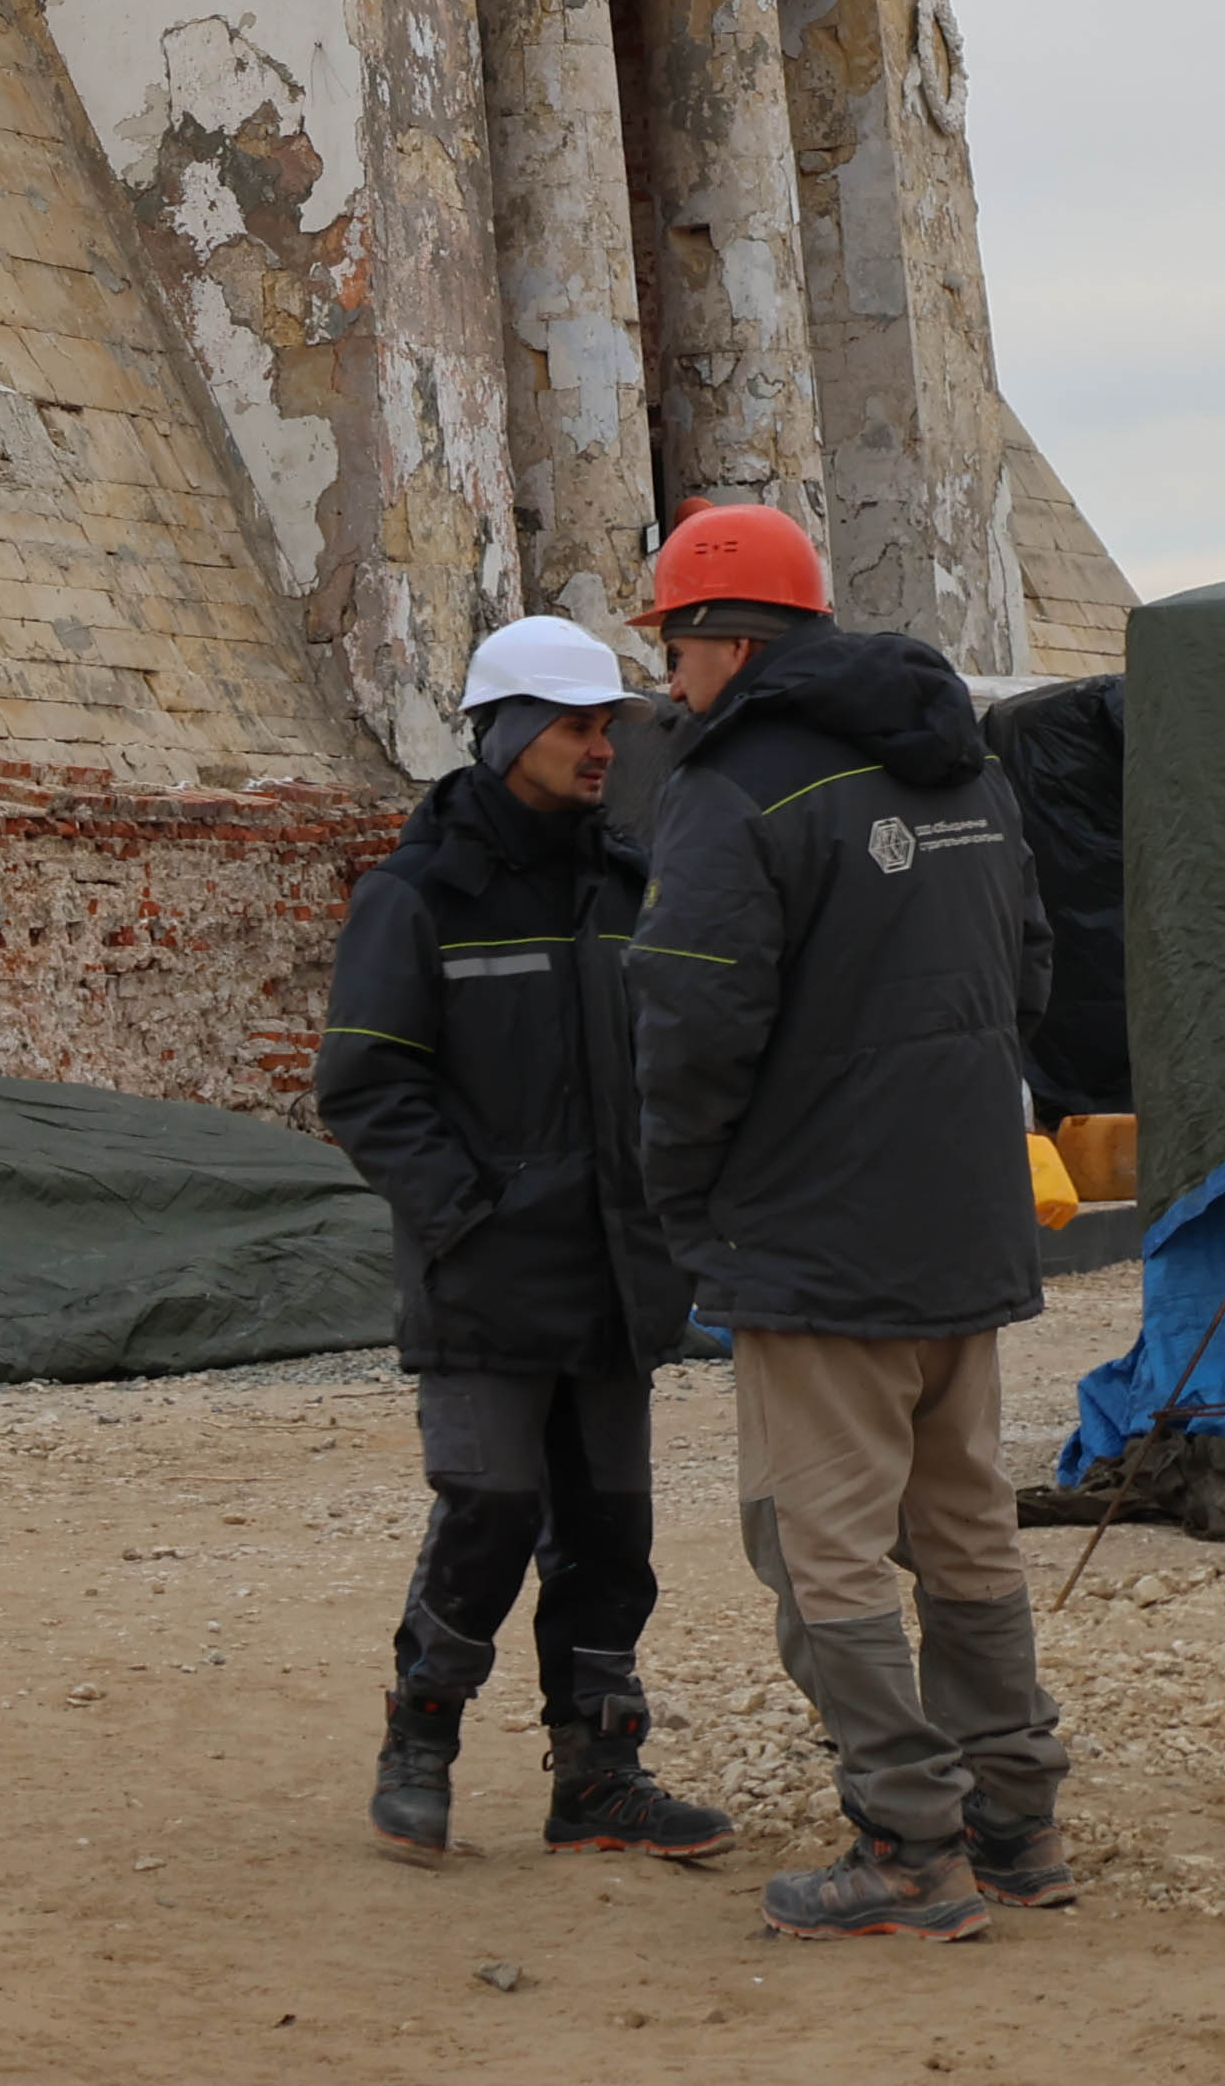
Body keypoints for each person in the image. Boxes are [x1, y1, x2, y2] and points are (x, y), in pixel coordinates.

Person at [622, 499, 1072, 1939]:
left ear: (720, 639)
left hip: (819, 1244)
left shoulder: (735, 783)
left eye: (673, 655)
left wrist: (690, 1207)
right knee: (967, 1530)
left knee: (823, 1554)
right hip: (962, 1222)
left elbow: (691, 1022)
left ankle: (908, 1846)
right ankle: (1019, 1824)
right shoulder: (966, 763)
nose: (667, 686)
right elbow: (1037, 972)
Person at [317, 616, 729, 1868]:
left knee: (611, 1530)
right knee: (489, 1507)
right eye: (574, 725)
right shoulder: (416, 894)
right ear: (503, 736)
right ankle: (421, 1741)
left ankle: (599, 1773)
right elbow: (366, 1085)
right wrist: (467, 1217)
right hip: (489, 1276)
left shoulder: (629, 878)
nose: (602, 745)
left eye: (610, 723)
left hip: (613, 1274)